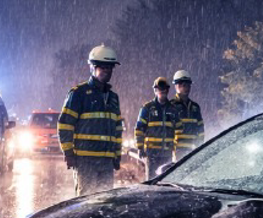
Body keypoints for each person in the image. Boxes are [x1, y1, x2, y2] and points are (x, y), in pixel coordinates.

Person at [59, 44, 123, 196]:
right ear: (92, 67)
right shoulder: (79, 94)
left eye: (110, 67)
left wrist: (117, 154)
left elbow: (118, 129)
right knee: (86, 202)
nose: (107, 71)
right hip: (85, 160)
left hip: (107, 160)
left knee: (105, 203)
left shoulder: (113, 98)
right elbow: (65, 124)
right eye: (103, 67)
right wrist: (68, 153)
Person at [134, 76, 178, 179]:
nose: (162, 91)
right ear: (155, 90)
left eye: (164, 89)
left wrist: (177, 149)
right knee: (152, 183)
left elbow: (178, 131)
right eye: (159, 89)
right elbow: (139, 129)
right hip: (152, 155)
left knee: (166, 184)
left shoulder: (173, 109)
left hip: (167, 155)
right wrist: (140, 148)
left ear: (167, 90)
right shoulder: (147, 108)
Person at [170, 69, 204, 159]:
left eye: (188, 85)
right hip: (177, 151)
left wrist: (200, 146)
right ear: (176, 86)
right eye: (184, 85)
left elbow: (200, 129)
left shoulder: (195, 107)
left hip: (193, 151)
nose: (187, 88)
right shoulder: (171, 106)